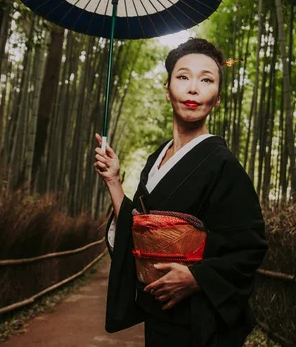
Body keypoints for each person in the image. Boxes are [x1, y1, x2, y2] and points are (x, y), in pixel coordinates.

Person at [93, 38, 268, 347]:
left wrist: (197, 278)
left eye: (206, 79)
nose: (193, 88)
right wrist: (113, 180)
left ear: (217, 99)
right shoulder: (156, 159)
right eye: (183, 76)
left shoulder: (223, 164)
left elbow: (250, 248)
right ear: (167, 89)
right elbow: (136, 229)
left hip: (202, 324)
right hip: (160, 314)